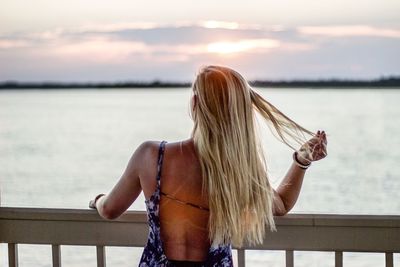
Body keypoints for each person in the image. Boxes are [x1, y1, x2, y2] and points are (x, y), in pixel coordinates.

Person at [89, 65, 327, 267]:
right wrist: (301, 162)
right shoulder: (237, 170)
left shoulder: (151, 156)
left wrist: (98, 199)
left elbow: (110, 209)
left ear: (195, 104)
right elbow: (281, 205)